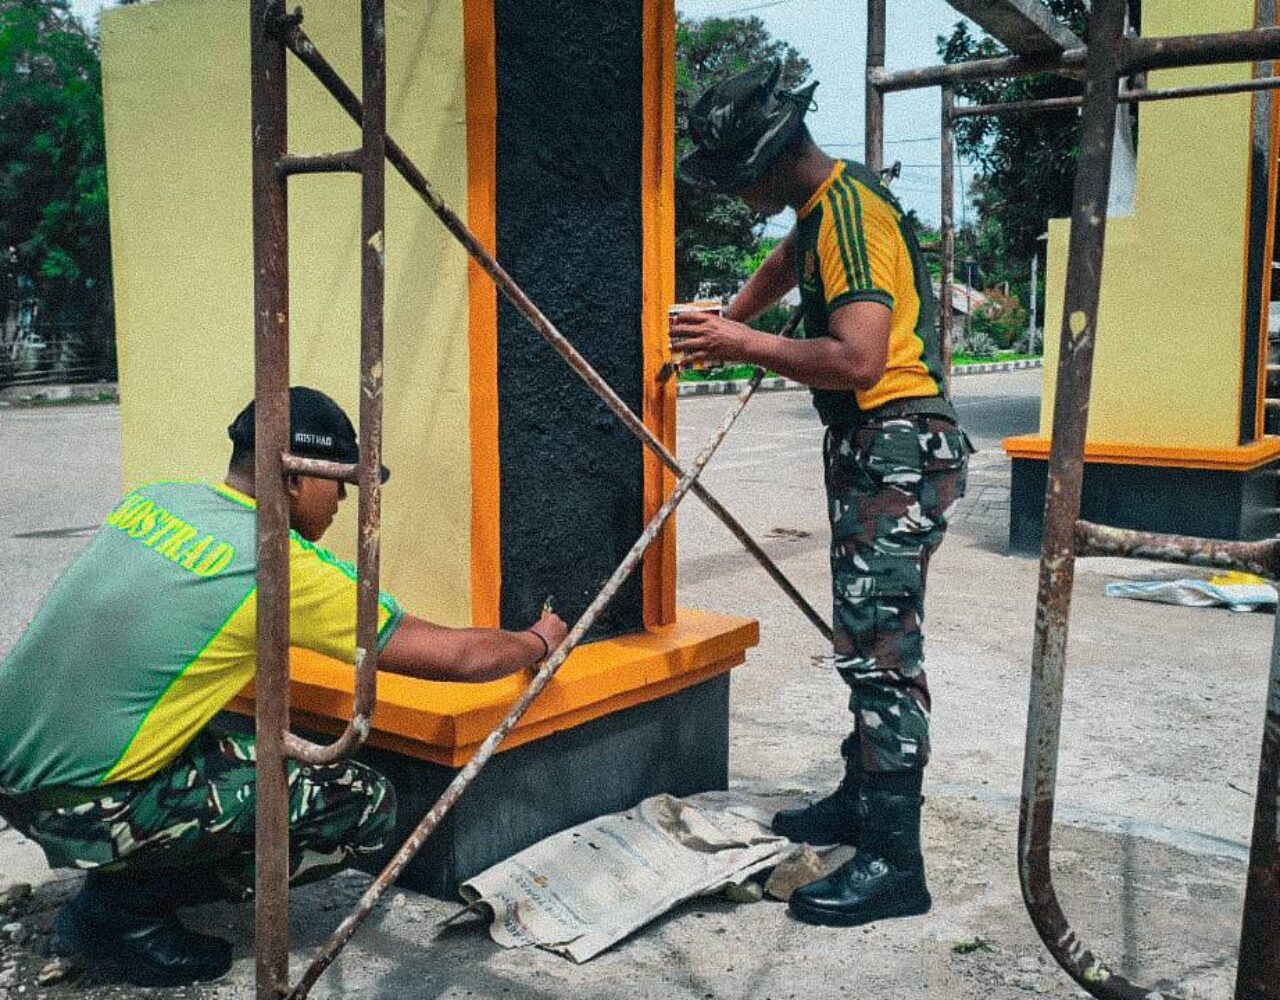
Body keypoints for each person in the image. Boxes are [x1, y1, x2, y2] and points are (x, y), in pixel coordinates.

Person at [0, 386, 567, 986]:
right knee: (362, 802)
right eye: (340, 481)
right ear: (294, 478)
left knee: (213, 743)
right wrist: (538, 640)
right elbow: (455, 657)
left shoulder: (155, 501)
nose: (345, 499)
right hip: (83, 805)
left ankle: (123, 872)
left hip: (14, 777)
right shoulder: (277, 563)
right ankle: (123, 914)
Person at [675, 61, 971, 928]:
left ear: (768, 163)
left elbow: (858, 358)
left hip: (896, 442)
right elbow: (786, 259)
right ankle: (858, 798)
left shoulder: (843, 214)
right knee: (862, 636)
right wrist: (733, 313)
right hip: (883, 446)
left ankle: (893, 862)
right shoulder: (831, 203)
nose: (736, 196)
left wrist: (737, 341)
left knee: (883, 653)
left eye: (738, 180)